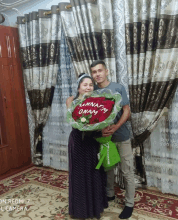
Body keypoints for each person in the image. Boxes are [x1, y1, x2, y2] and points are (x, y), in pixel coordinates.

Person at [90, 60, 135, 219]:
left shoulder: (118, 88)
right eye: (94, 72)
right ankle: (109, 194)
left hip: (121, 136)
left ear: (106, 71)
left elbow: (126, 111)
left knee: (127, 170)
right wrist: (100, 130)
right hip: (104, 139)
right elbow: (91, 116)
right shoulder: (92, 91)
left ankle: (129, 204)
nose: (97, 74)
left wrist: (115, 127)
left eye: (100, 70)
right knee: (108, 168)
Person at [66, 73, 108, 219]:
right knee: (79, 176)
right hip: (78, 141)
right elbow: (73, 120)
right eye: (85, 85)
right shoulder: (71, 100)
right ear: (79, 88)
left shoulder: (97, 102)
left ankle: (95, 208)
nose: (88, 87)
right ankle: (81, 210)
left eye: (91, 85)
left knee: (94, 174)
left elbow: (101, 121)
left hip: (92, 141)